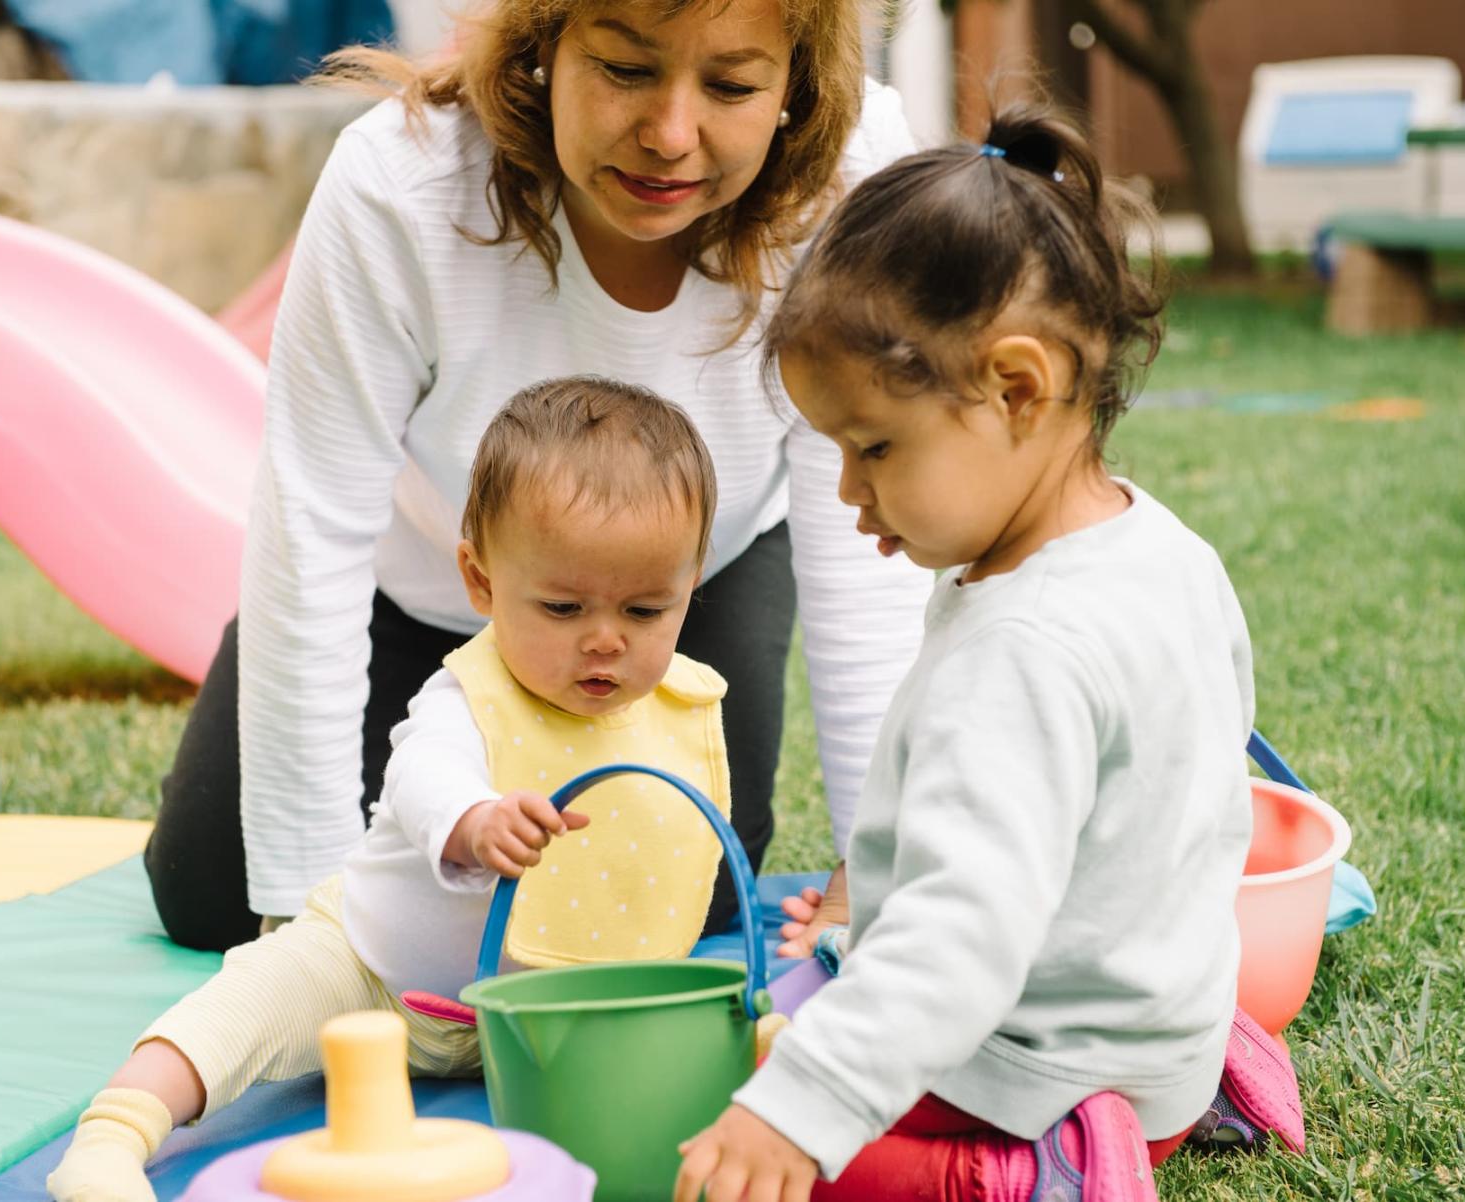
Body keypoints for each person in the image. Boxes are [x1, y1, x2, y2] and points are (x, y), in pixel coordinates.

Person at [143, 0, 934, 954]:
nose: (671, 136)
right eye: (625, 69)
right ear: (542, 47)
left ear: (794, 89)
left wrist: (872, 870)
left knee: (686, 901)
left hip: (681, 589)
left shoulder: (855, 173)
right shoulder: (400, 183)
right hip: (425, 588)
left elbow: (869, 543)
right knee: (218, 894)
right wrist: (309, 919)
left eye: (729, 86)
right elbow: (311, 528)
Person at [672, 105, 1304, 1202]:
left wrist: (798, 1110)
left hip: (1042, 1065)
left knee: (742, 1113)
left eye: (875, 446)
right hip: (1154, 1022)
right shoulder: (1160, 546)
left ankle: (1030, 1171)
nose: (848, 490)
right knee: (806, 1023)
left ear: (1018, 388)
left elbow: (963, 941)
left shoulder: (1025, 645)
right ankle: (1184, 1084)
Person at [49, 377, 737, 1202]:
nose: (604, 639)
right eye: (561, 606)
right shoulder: (471, 693)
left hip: (539, 1019)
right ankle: (115, 1132)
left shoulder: (682, 709)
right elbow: (420, 774)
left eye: (645, 609)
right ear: (481, 584)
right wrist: (474, 820)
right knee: (244, 1008)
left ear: (690, 587)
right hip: (372, 966)